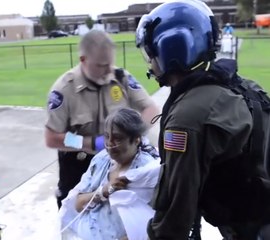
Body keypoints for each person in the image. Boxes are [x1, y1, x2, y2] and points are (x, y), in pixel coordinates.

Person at [135, 1, 270, 240]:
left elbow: (175, 214)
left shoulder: (186, 118)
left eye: (151, 53)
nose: (151, 62)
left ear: (169, 48)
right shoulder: (245, 87)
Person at [44, 29, 159, 208]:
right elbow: (52, 138)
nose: (108, 71)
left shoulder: (120, 78)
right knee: (74, 215)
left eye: (110, 64)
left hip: (119, 162)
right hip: (79, 166)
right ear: (83, 60)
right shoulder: (64, 89)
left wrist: (134, 136)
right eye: (101, 66)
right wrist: (90, 143)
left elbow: (151, 110)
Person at [59, 108, 161, 240]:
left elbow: (150, 223)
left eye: (117, 138)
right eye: (107, 136)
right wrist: (103, 192)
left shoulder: (148, 172)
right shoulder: (101, 160)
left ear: (136, 140)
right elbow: (78, 205)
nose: (109, 144)